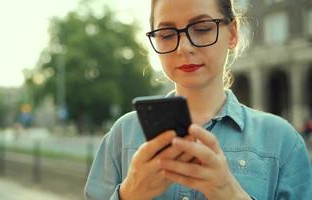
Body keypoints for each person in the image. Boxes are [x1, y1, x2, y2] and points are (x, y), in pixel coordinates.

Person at [84, 0, 312, 199]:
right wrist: (129, 195)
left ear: (232, 34)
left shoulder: (283, 142)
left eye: (202, 29)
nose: (184, 47)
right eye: (166, 35)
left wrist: (232, 196)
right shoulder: (122, 135)